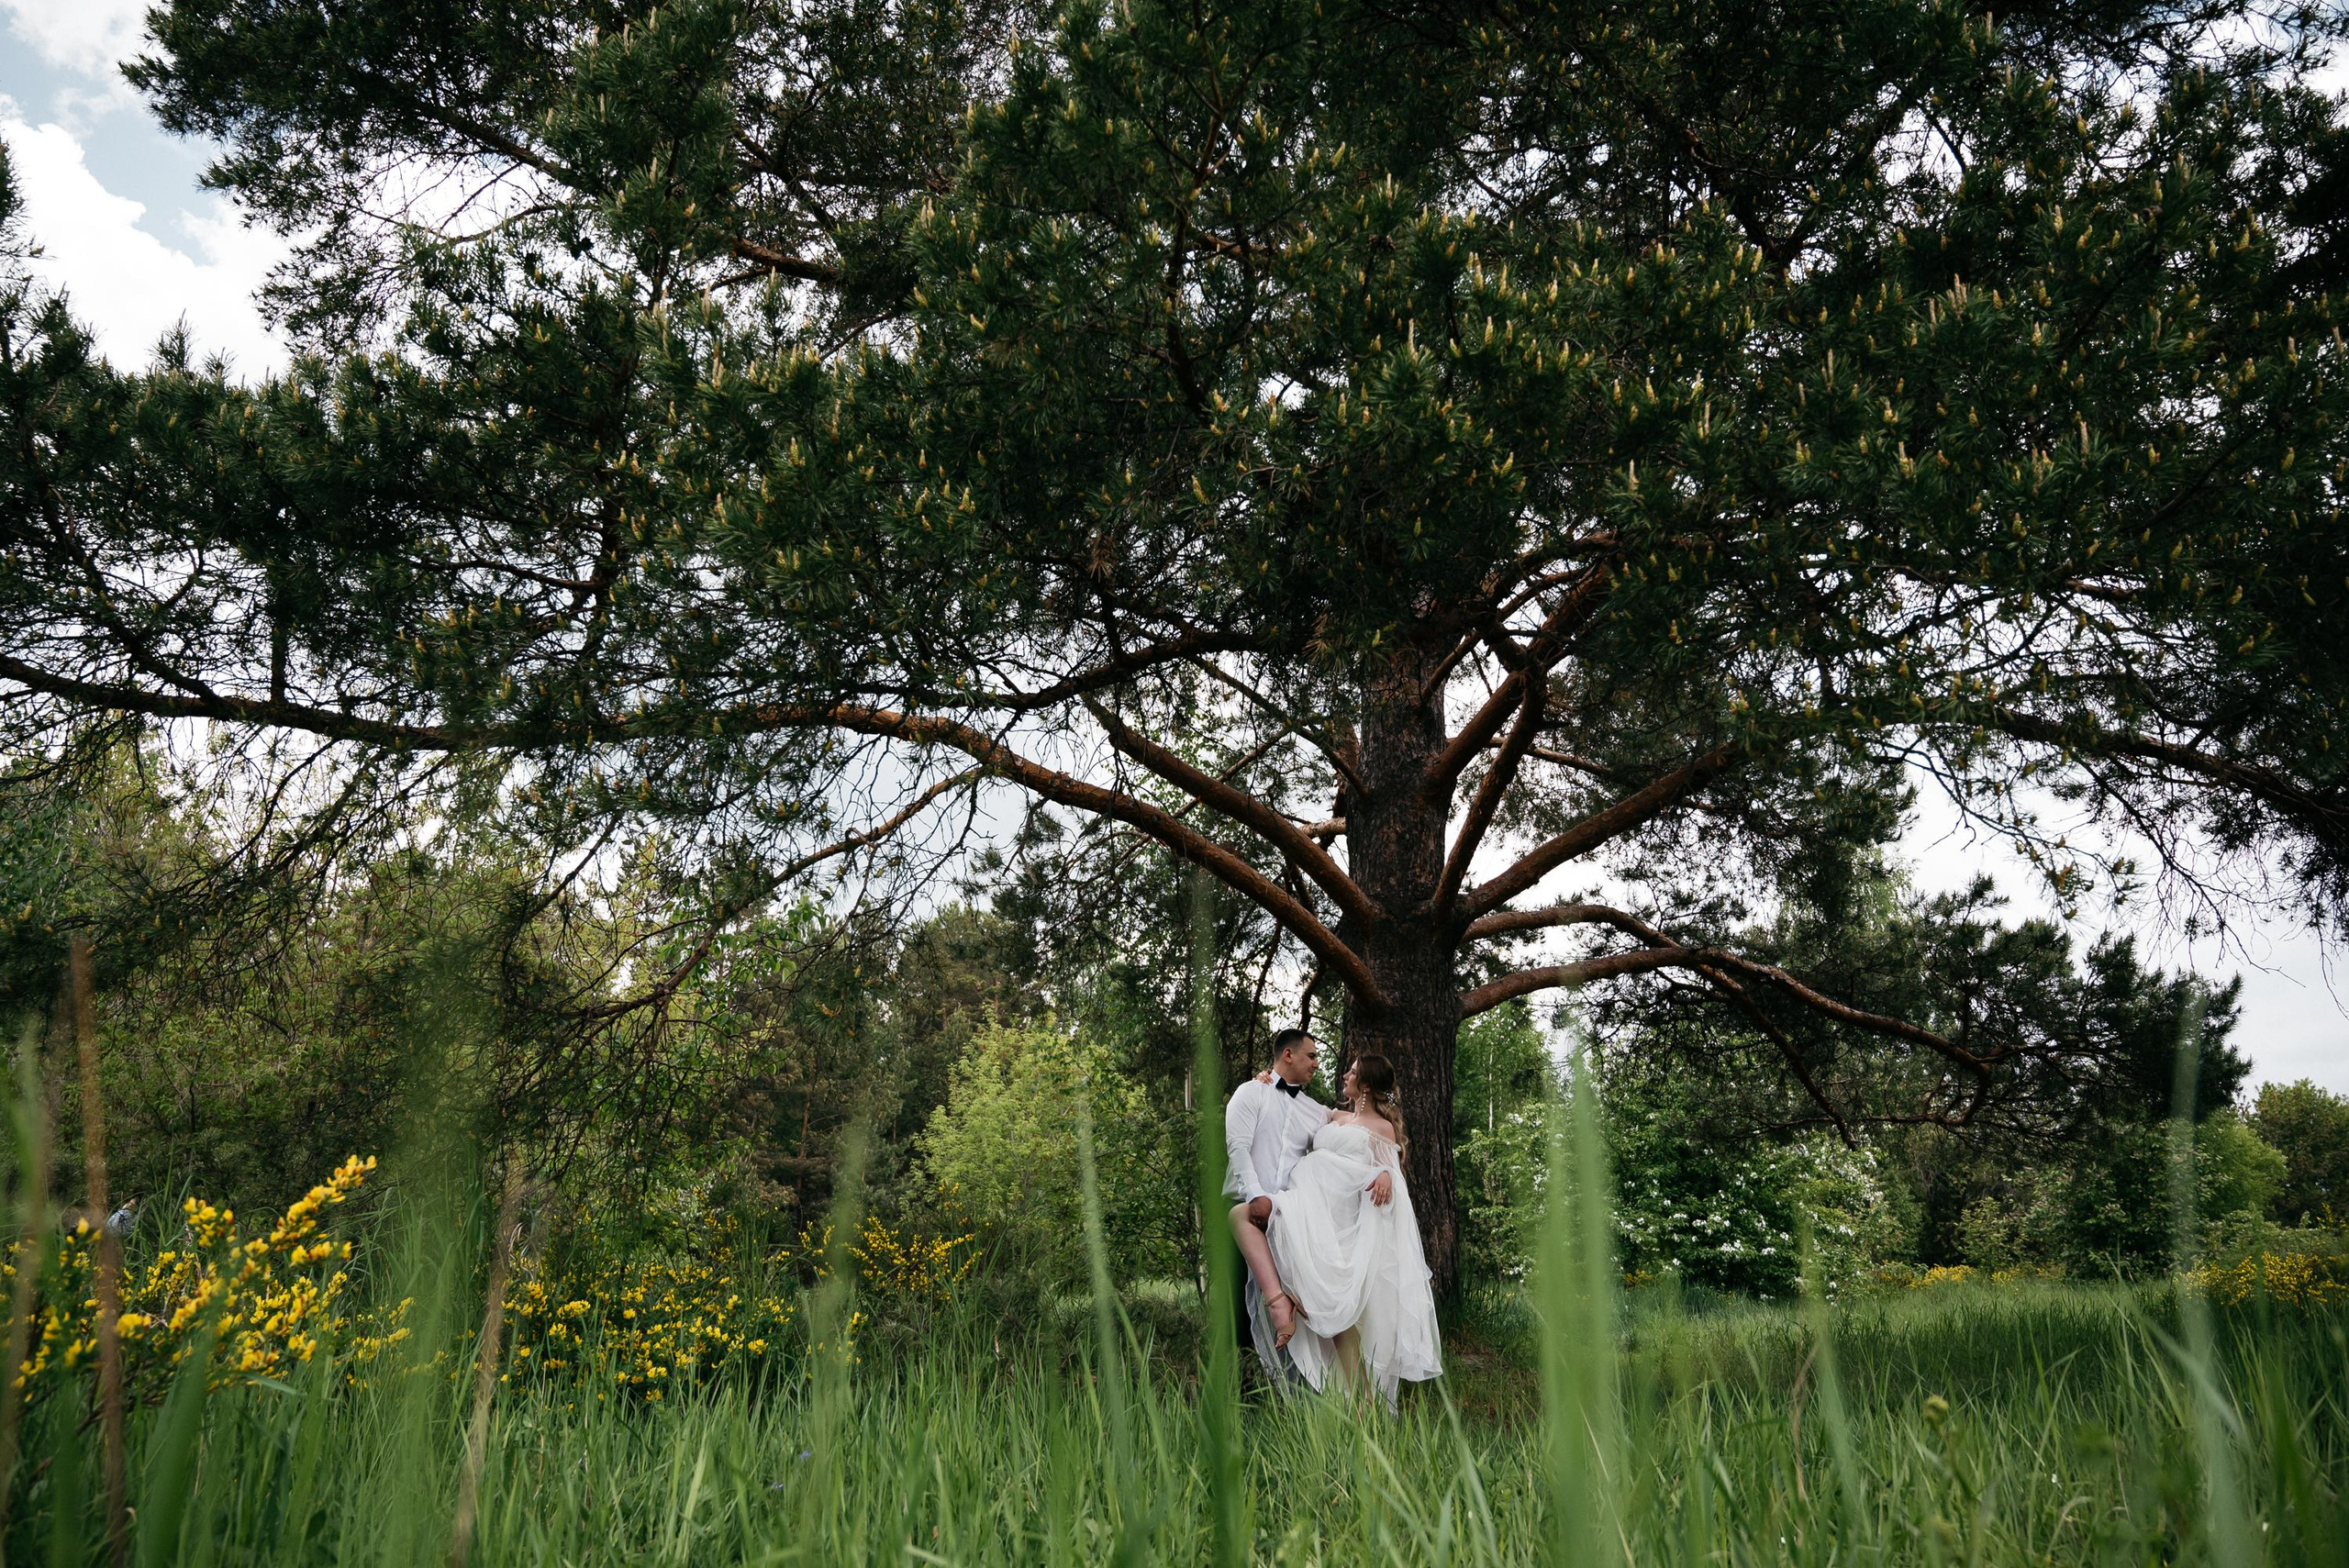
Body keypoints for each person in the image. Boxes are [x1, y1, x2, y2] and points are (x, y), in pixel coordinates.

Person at [1229, 1051, 1442, 1410]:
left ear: (1367, 1086)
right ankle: (1280, 1302)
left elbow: (1392, 1180)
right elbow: (1293, 1100)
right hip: (1307, 1211)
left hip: (1341, 1224)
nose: (1345, 1074)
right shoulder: (1332, 1114)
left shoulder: (1382, 1129)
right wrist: (1265, 1080)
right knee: (1241, 1215)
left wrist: (1386, 1173)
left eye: (1353, 1072)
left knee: (1341, 1319)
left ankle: (1364, 1405)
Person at [1222, 1029, 1330, 1374]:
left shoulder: (1315, 1112)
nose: (1316, 1063)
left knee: (1291, 1307)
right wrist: (1256, 1197)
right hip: (1245, 1214)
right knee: (1238, 1311)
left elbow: (1352, 1131)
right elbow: (1237, 1147)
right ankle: (1238, 1390)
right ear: (1288, 1055)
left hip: (1286, 1222)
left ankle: (1284, 1392)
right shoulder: (1250, 1092)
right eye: (1311, 1055)